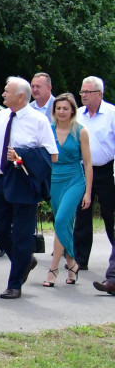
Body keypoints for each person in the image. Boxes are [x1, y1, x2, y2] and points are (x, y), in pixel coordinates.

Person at [0, 77, 58, 299]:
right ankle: (24, 260)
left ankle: (15, 283)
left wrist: (22, 155)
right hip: (1, 177)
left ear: (21, 96)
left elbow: (53, 155)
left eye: (7, 91)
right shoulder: (1, 116)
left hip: (23, 182)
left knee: (22, 234)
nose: (3, 94)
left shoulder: (38, 120)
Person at [45, 93, 91, 286]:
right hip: (54, 179)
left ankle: (53, 268)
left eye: (65, 108)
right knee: (63, 224)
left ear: (72, 110)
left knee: (62, 219)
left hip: (75, 179)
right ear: (54, 111)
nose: (61, 112)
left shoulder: (80, 131)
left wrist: (88, 191)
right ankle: (72, 265)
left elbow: (88, 163)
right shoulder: (49, 129)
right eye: (58, 108)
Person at [75, 76, 115, 275]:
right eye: (82, 92)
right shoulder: (78, 115)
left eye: (87, 92)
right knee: (82, 213)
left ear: (99, 94)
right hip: (82, 170)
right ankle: (80, 259)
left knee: (110, 214)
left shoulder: (111, 113)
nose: (83, 95)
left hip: (106, 170)